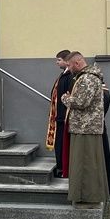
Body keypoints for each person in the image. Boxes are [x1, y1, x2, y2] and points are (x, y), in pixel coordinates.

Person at [60, 52, 108, 207]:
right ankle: (84, 196)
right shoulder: (87, 77)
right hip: (84, 128)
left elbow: (81, 102)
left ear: (78, 62)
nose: (69, 69)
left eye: (69, 65)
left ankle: (87, 197)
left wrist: (65, 98)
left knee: (86, 164)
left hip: (86, 128)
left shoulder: (87, 78)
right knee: (84, 164)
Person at [46, 50, 73, 179]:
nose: (57, 62)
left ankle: (62, 168)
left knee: (62, 144)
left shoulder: (69, 77)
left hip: (63, 117)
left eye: (58, 60)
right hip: (59, 116)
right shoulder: (63, 75)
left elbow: (67, 97)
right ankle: (60, 166)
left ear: (66, 60)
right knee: (59, 143)